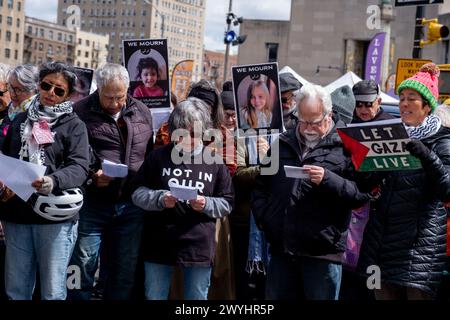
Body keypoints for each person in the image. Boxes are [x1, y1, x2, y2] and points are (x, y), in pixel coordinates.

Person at [252, 83, 373, 300]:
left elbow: (361, 195)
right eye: (303, 121)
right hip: (282, 249)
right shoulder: (282, 143)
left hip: (322, 253)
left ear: (329, 116)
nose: (308, 128)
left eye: (314, 122)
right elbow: (261, 186)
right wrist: (266, 219)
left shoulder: (348, 146)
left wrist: (329, 179)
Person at [357, 63, 450, 300]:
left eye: (412, 99)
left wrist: (426, 155)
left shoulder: (442, 141)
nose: (404, 104)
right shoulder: (389, 134)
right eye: (401, 98)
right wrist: (365, 163)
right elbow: (365, 186)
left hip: (419, 249)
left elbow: (447, 189)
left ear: (427, 106)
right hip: (381, 243)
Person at [0, 61, 90, 300]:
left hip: (54, 218)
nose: (50, 93)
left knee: (52, 292)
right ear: (39, 85)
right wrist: (5, 184)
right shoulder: (20, 120)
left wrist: (52, 180)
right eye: (46, 85)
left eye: (58, 90)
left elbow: (80, 167)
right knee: (16, 289)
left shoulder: (74, 125)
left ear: (68, 95)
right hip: (18, 215)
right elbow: (6, 160)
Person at [131, 97, 234, 300]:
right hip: (159, 243)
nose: (187, 140)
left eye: (194, 134)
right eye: (182, 133)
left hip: (198, 246)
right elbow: (137, 193)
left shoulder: (214, 161)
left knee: (196, 298)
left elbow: (227, 202)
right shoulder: (158, 157)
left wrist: (206, 203)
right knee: (155, 296)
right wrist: (160, 199)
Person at [68, 63, 154, 300]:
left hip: (130, 204)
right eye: (109, 97)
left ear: (127, 90)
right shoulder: (80, 111)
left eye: (120, 96)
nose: (115, 103)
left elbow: (149, 152)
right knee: (82, 265)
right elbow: (70, 155)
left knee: (124, 270)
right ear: (98, 89)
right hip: (92, 203)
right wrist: (91, 176)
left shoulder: (142, 112)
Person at [0, 64, 38, 150]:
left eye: (18, 90)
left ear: (32, 90)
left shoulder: (37, 115)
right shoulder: (11, 110)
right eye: (11, 88)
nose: (13, 94)